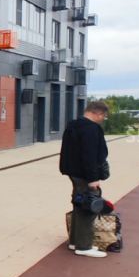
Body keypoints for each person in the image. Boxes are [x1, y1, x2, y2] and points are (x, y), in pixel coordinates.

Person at [60, 100, 110, 257]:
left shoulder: (73, 125)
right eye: (104, 116)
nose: (103, 119)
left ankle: (75, 241)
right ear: (99, 113)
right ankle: (84, 246)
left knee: (79, 203)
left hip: (73, 172)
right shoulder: (91, 129)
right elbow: (90, 155)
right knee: (89, 206)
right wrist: (93, 178)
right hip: (84, 174)